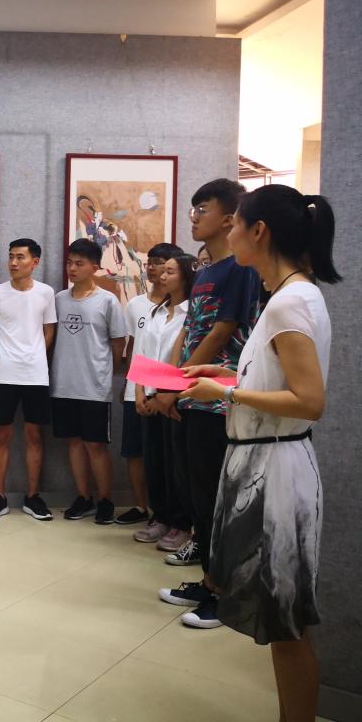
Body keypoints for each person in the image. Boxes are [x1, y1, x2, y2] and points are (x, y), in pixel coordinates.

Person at [179, 185, 338, 722]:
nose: (229, 233)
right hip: (263, 462)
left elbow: (309, 401)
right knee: (278, 620)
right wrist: (224, 374)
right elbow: (274, 380)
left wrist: (227, 394)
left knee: (286, 624)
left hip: (277, 471)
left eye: (235, 223)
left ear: (259, 231)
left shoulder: (291, 301)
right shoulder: (287, 296)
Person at [155, 179, 260, 627]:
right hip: (193, 395)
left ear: (230, 217)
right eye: (193, 209)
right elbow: (190, 330)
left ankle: (223, 595)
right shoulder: (206, 272)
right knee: (197, 496)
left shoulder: (241, 269)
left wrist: (178, 384)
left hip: (219, 399)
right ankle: (209, 580)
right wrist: (171, 380)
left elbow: (222, 332)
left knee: (217, 499)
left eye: (203, 209)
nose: (194, 217)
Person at [0, 238, 57, 521]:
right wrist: (5, 357)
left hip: (36, 375)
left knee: (35, 436)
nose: (13, 262)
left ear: (34, 262)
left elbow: (49, 331)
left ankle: (33, 497)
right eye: (11, 256)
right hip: (5, 375)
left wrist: (33, 355)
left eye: (20, 257)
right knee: (2, 435)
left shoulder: (46, 293)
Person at [50, 238, 126, 523]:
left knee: (95, 445)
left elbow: (118, 343)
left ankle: (105, 499)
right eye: (70, 263)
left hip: (94, 386)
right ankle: (84, 498)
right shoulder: (59, 299)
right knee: (73, 443)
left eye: (79, 263)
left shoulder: (107, 301)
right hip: (63, 384)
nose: (72, 268)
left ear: (94, 267)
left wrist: (107, 373)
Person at [117, 242, 183, 526]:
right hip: (137, 388)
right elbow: (134, 347)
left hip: (167, 392)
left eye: (161, 263)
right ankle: (141, 507)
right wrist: (129, 383)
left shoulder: (183, 308)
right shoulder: (136, 305)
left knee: (166, 455)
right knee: (135, 451)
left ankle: (168, 514)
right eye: (151, 262)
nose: (154, 268)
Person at [132, 254, 196, 549]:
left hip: (174, 399)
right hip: (150, 395)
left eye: (170, 271)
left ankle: (181, 523)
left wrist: (166, 395)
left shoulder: (191, 313)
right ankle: (160, 516)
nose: (162, 275)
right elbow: (142, 353)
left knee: (176, 465)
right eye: (162, 271)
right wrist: (139, 392)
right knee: (154, 461)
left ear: (186, 276)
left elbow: (184, 359)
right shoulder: (156, 312)